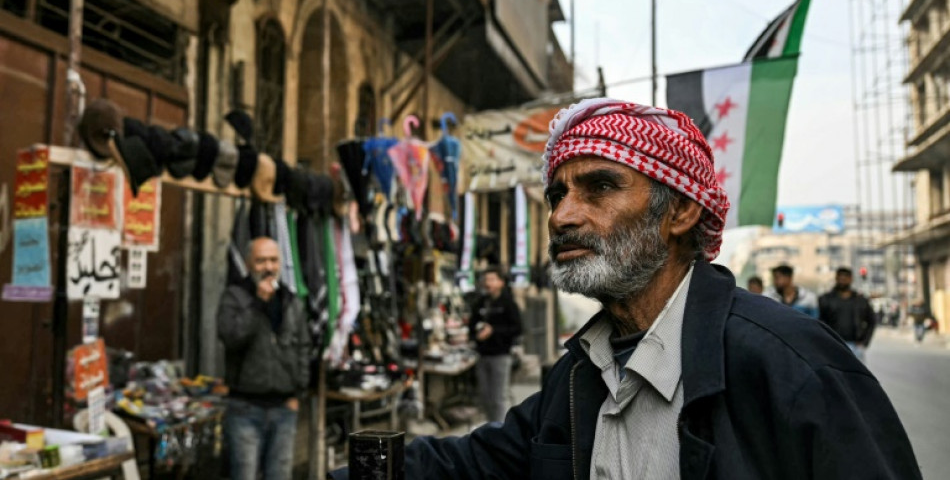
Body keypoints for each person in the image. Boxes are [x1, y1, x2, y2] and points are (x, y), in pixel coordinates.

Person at [329, 99, 919, 479]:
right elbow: (479, 463)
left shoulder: (789, 366)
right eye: (557, 195)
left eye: (600, 187)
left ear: (680, 210)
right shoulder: (580, 374)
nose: (562, 216)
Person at [217, 237, 311, 480]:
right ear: (249, 264)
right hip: (245, 408)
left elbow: (303, 346)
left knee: (279, 475)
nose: (268, 267)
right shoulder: (235, 297)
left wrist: (297, 392)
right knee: (244, 474)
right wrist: (258, 303)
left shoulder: (290, 299)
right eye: (261, 261)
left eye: (273, 260)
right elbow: (231, 337)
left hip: (284, 408)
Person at [469, 266, 523, 423]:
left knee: (499, 397)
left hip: (501, 355)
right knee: (485, 397)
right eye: (486, 280)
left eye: (492, 279)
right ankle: (491, 427)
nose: (488, 283)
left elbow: (517, 329)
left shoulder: (508, 303)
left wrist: (493, 331)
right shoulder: (479, 303)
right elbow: (471, 327)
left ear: (501, 282)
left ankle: (501, 429)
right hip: (482, 355)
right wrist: (476, 335)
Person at [818, 267, 876, 362]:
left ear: (851, 279)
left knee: (856, 371)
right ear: (836, 278)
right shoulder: (825, 299)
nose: (842, 280)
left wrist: (864, 342)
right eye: (840, 277)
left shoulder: (860, 300)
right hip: (833, 344)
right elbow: (820, 321)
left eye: (845, 278)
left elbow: (872, 321)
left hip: (855, 346)